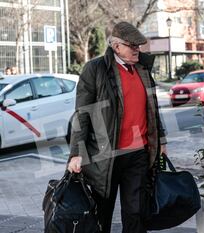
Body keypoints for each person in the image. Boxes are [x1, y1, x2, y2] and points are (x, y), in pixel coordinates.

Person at [67, 21, 167, 233]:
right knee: (101, 215)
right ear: (116, 46)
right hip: (105, 157)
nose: (137, 50)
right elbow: (82, 114)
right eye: (133, 46)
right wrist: (76, 153)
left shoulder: (143, 70)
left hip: (138, 155)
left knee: (136, 214)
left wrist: (161, 141)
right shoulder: (95, 70)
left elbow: (153, 110)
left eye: (139, 46)